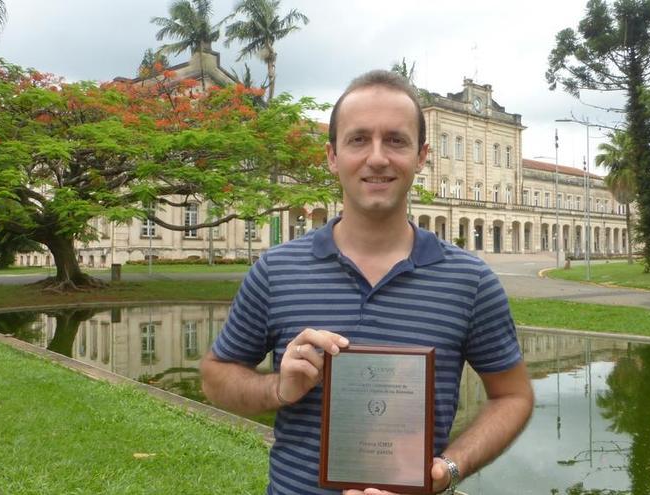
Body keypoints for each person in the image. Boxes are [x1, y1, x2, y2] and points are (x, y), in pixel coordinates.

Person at [200, 70, 534, 495]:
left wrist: (447, 468)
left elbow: (513, 397)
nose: (377, 157)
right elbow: (215, 377)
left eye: (396, 140)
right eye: (358, 139)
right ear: (332, 156)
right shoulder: (276, 270)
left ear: (421, 156)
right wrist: (279, 388)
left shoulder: (470, 280)